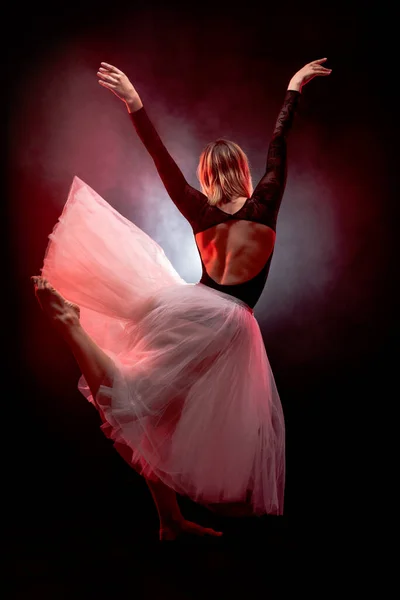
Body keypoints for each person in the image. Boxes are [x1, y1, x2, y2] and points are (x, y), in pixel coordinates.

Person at [32, 58, 331, 540]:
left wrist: (135, 104)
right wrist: (293, 88)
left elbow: (159, 159)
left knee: (153, 416)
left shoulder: (198, 209)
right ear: (244, 171)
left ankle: (169, 521)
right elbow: (280, 144)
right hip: (229, 325)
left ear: (210, 178)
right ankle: (69, 324)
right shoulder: (268, 198)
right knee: (140, 404)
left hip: (194, 309)